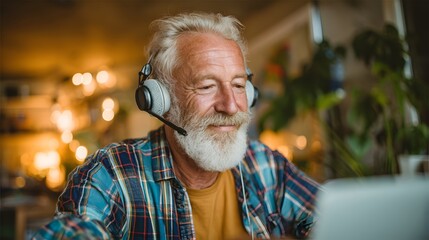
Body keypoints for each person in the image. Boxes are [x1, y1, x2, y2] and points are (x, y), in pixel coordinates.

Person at [33, 12, 320, 239]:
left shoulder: (267, 166)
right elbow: (74, 230)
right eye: (207, 86)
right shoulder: (111, 173)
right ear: (161, 100)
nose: (231, 106)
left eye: (238, 86)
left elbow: (336, 221)